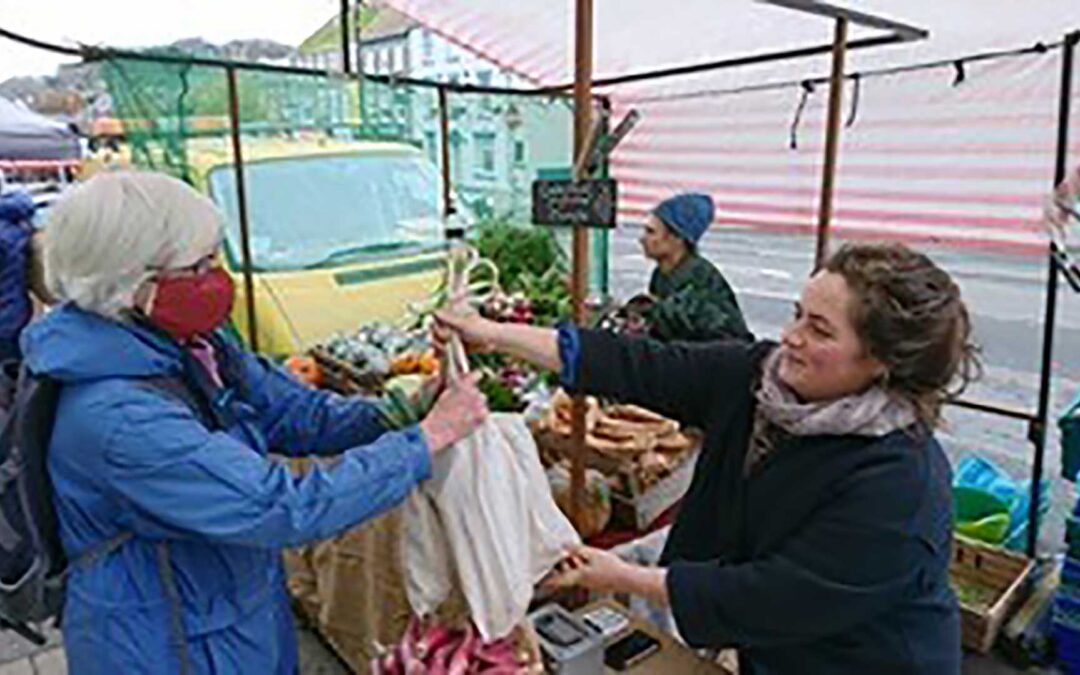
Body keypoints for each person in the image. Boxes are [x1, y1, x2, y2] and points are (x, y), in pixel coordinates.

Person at [23, 171, 488, 675]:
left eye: (214, 258)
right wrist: (426, 440)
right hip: (165, 642)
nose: (217, 278)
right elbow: (278, 505)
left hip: (227, 611)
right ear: (129, 284)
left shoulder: (189, 345)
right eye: (198, 266)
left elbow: (295, 416)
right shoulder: (117, 420)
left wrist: (409, 410)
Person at [436, 242, 977, 675]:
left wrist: (624, 575)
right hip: (773, 652)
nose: (789, 337)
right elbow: (639, 363)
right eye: (797, 315)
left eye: (820, 329)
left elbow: (777, 595)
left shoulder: (900, 483)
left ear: (881, 363)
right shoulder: (759, 379)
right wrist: (492, 334)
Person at [631, 192, 752, 343]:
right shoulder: (662, 274)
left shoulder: (700, 280)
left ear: (677, 238)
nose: (642, 239)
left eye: (651, 232)